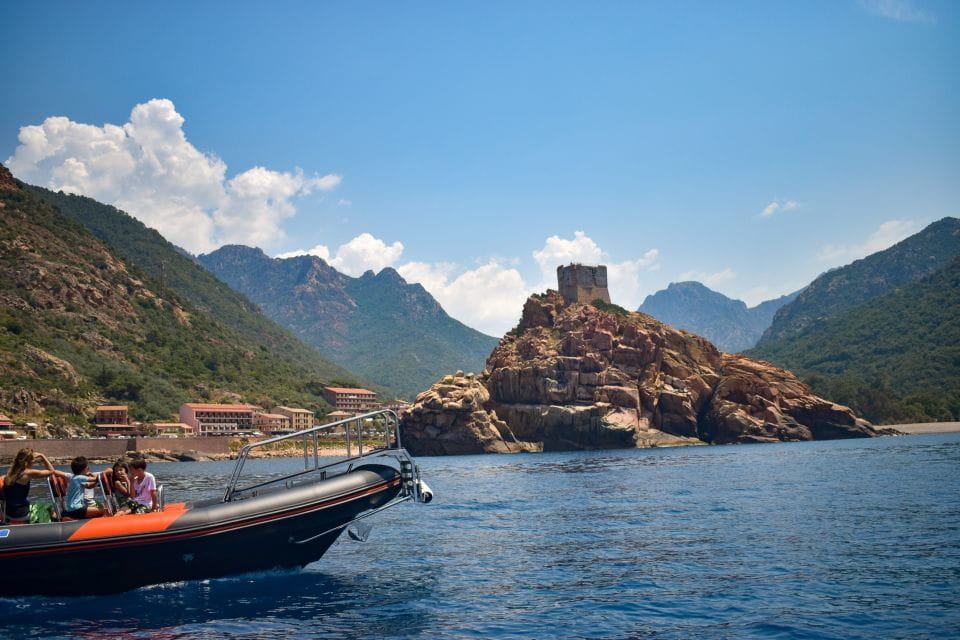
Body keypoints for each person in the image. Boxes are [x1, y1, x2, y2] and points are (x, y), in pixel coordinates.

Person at [2, 448, 67, 524]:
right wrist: (42, 456)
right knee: (46, 507)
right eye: (33, 460)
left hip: (8, 513)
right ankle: (54, 527)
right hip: (21, 513)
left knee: (38, 504)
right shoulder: (28, 473)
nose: (34, 462)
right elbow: (51, 471)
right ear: (28, 461)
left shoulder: (10, 473)